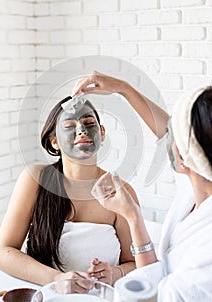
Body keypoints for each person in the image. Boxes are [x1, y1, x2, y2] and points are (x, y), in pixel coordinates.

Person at [73, 71, 212, 301]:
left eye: (176, 136)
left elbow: (155, 298)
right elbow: (166, 132)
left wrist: (133, 218)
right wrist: (123, 88)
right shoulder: (198, 181)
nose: (169, 138)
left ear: (185, 157)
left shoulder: (206, 255)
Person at [0, 95, 137, 287]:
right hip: (44, 294)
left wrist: (115, 273)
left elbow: (135, 263)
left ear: (102, 134)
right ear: (55, 142)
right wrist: (55, 279)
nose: (81, 131)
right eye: (69, 127)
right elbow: (4, 252)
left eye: (89, 123)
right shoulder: (35, 179)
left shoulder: (120, 191)